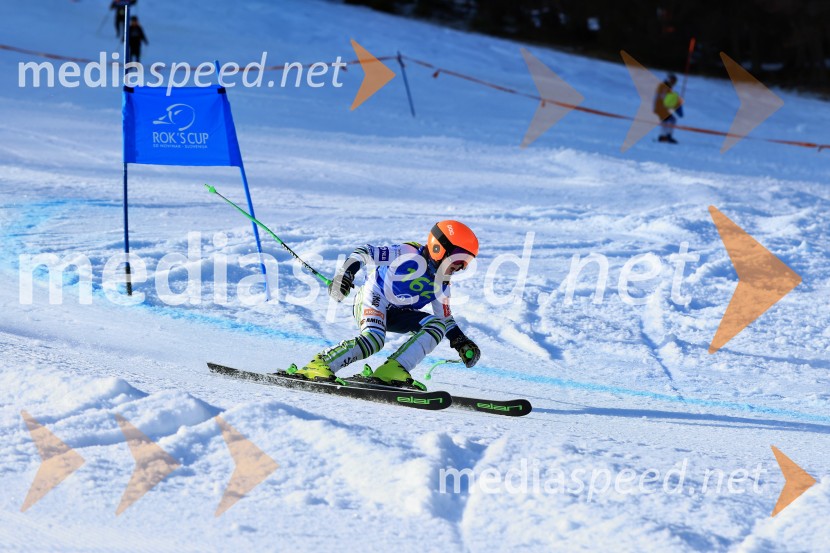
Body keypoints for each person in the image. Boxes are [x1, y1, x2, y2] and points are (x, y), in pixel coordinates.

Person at [292, 220, 482, 388]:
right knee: (373, 340)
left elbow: (445, 317)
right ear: (439, 248)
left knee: (437, 325)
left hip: (398, 314)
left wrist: (460, 341)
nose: (460, 266)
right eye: (458, 258)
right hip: (374, 298)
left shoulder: (442, 283)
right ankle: (320, 365)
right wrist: (345, 274)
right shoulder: (407, 253)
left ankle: (392, 371)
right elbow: (365, 252)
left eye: (466, 261)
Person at [654, 73, 683, 144]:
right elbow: (663, 97)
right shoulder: (664, 86)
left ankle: (665, 136)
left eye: (675, 81)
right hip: (661, 107)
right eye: (673, 81)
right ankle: (665, 137)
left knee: (670, 120)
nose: (674, 83)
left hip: (662, 107)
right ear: (669, 80)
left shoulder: (667, 86)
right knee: (668, 120)